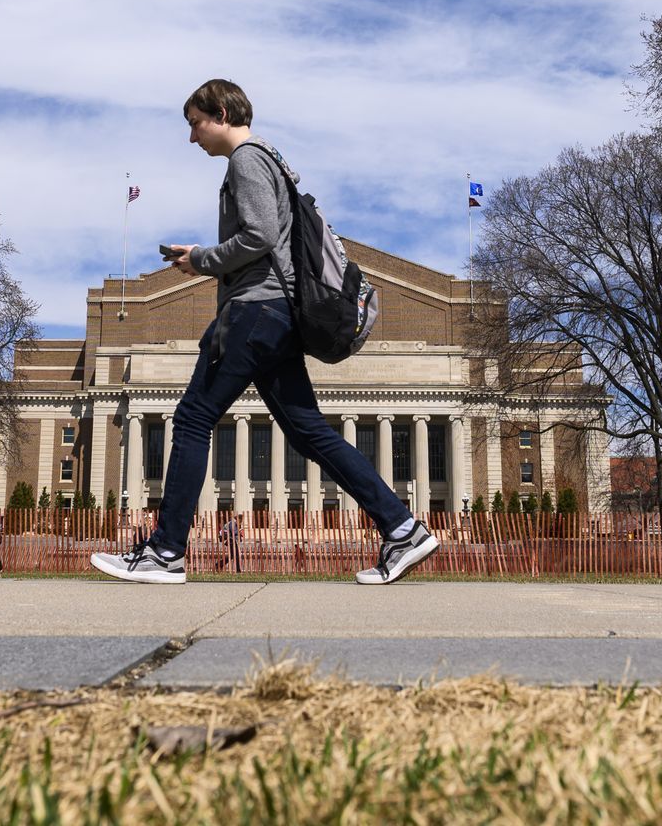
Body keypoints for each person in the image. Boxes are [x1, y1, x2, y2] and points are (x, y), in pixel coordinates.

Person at [92, 78, 438, 586]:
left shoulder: (247, 160)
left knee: (191, 418)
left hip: (254, 314)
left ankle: (164, 552)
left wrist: (202, 259)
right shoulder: (271, 160)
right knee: (310, 432)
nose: (192, 138)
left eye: (195, 123)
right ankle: (402, 528)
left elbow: (255, 237)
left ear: (224, 112)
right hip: (276, 319)